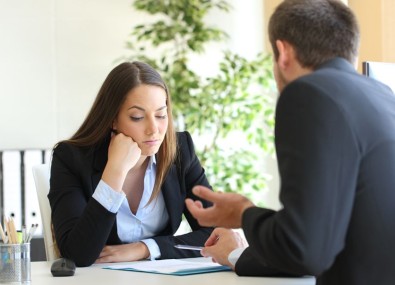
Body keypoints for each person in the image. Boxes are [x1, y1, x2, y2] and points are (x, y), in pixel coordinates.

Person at [185, 0, 395, 284]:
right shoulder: (384, 96)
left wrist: (243, 213)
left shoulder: (307, 93)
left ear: (282, 52)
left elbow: (304, 248)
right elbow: (328, 235)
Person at [48, 61, 213, 267]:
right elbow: (76, 254)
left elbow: (216, 234)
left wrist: (145, 248)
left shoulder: (180, 150)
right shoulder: (71, 159)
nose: (154, 129)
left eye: (161, 115)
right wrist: (114, 172)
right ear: (113, 119)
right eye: (137, 117)